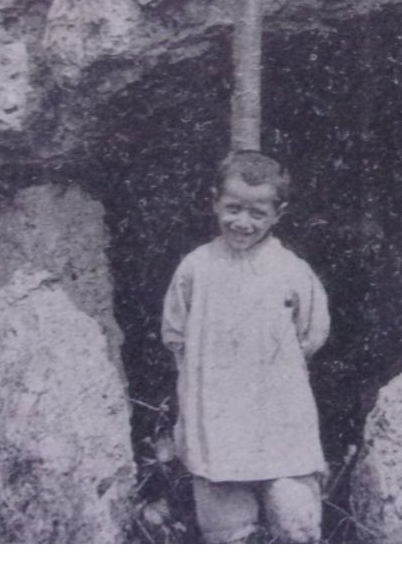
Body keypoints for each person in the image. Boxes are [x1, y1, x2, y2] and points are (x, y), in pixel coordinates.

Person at [161, 151, 331, 543]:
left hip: (279, 413)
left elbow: (311, 334)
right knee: (227, 528)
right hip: (215, 417)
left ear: (278, 213)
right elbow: (175, 333)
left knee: (296, 519)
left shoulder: (291, 270)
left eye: (257, 213)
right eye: (233, 208)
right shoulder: (196, 267)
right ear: (214, 202)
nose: (242, 222)